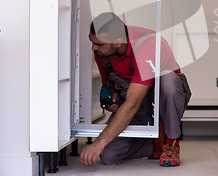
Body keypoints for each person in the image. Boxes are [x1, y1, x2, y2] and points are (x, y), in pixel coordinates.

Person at [80, 12, 191, 167]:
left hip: (159, 100)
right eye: (92, 41)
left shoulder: (148, 44)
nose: (93, 47)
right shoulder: (102, 50)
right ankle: (155, 145)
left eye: (98, 44)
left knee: (169, 81)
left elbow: (133, 103)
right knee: (109, 155)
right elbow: (107, 79)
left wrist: (99, 141)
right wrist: (112, 93)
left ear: (118, 42)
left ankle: (170, 142)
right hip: (135, 101)